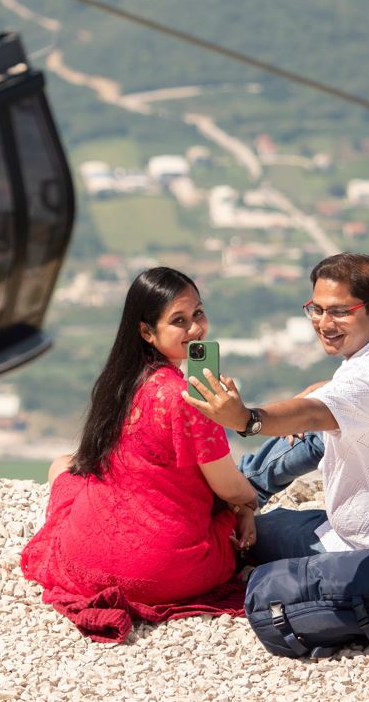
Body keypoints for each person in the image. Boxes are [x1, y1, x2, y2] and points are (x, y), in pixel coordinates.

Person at [184, 252, 369, 582]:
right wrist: (327, 388)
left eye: (339, 311)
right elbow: (342, 400)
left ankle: (233, 500)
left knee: (250, 534)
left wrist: (246, 419)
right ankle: (243, 489)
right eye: (317, 309)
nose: (323, 322)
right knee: (321, 430)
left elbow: (311, 414)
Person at [20, 267, 260, 642]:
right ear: (147, 332)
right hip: (166, 572)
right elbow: (227, 485)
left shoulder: (117, 385)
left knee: (65, 468)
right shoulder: (192, 398)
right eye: (179, 321)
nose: (196, 329)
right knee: (233, 514)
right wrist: (248, 506)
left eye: (198, 313)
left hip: (84, 564)